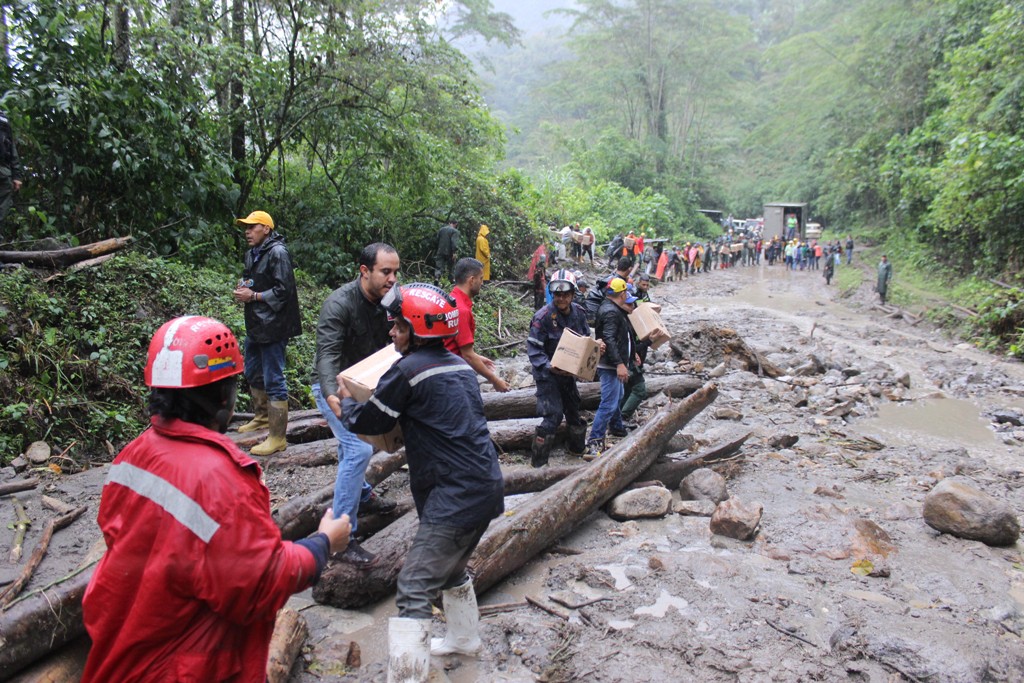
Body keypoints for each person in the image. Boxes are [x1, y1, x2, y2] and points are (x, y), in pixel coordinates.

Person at [81, 316, 351, 683]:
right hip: (182, 667)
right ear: (224, 395)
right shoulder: (218, 478)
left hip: (122, 649)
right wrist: (322, 544)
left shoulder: (131, 456)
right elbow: (259, 582)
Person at [334, 283, 503, 682]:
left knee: (412, 586)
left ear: (416, 330)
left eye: (397, 326)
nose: (391, 333)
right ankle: (464, 639)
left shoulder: (408, 371)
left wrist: (345, 405)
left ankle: (406, 677)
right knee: (450, 569)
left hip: (454, 493)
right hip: (484, 485)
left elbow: (371, 422)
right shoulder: (458, 366)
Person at [313, 243, 401, 568]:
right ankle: (341, 539)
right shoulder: (339, 304)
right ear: (364, 271)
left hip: (368, 380)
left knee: (354, 444)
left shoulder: (392, 301)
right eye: (385, 272)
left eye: (395, 272)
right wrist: (330, 395)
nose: (392, 279)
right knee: (359, 449)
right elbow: (326, 356)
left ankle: (361, 494)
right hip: (335, 384)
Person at [232, 210, 301, 456]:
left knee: (273, 377)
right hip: (256, 324)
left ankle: (277, 437)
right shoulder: (252, 253)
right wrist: (244, 288)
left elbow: (284, 290)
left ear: (266, 229)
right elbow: (252, 280)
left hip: (274, 325)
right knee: (252, 370)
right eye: (245, 227)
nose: (247, 232)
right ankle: (261, 416)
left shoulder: (278, 252)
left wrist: (255, 296)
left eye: (252, 227)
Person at [526, 269, 600, 467]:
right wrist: (550, 366)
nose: (561, 298)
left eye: (565, 294)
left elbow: (584, 340)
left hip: (568, 374)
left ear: (573, 294)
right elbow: (534, 350)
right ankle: (538, 462)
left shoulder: (579, 313)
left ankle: (576, 448)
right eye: (557, 294)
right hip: (547, 375)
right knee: (553, 415)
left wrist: (594, 349)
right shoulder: (542, 318)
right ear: (552, 294)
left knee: (574, 409)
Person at [587, 277, 638, 457]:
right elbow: (609, 338)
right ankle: (594, 440)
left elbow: (622, 336)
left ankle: (616, 428)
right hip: (609, 365)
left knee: (619, 396)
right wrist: (619, 364)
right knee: (608, 403)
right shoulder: (611, 312)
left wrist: (632, 355)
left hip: (613, 362)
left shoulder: (613, 309)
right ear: (622, 294)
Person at [445, 257, 510, 392]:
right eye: (481, 278)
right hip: (451, 376)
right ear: (471, 280)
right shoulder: (461, 310)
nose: (482, 282)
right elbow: (467, 355)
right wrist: (495, 380)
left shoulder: (450, 300)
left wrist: (478, 358)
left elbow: (453, 344)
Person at [0, 110, 22, 230]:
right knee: (2, 207)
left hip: (3, 170)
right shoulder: (4, 120)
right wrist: (16, 176)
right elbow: (12, 150)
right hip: (4, 170)